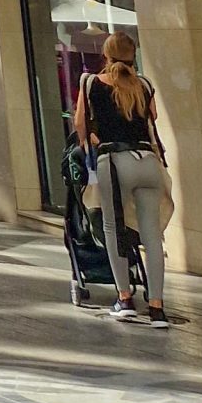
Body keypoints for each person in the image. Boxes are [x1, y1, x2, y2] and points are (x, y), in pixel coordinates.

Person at [74, 31, 170, 326]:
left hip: (115, 160)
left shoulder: (90, 82)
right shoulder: (144, 85)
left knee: (113, 229)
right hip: (148, 162)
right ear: (133, 54)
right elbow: (151, 118)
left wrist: (87, 142)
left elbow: (80, 122)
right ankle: (156, 307)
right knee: (152, 236)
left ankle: (125, 298)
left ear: (106, 54)